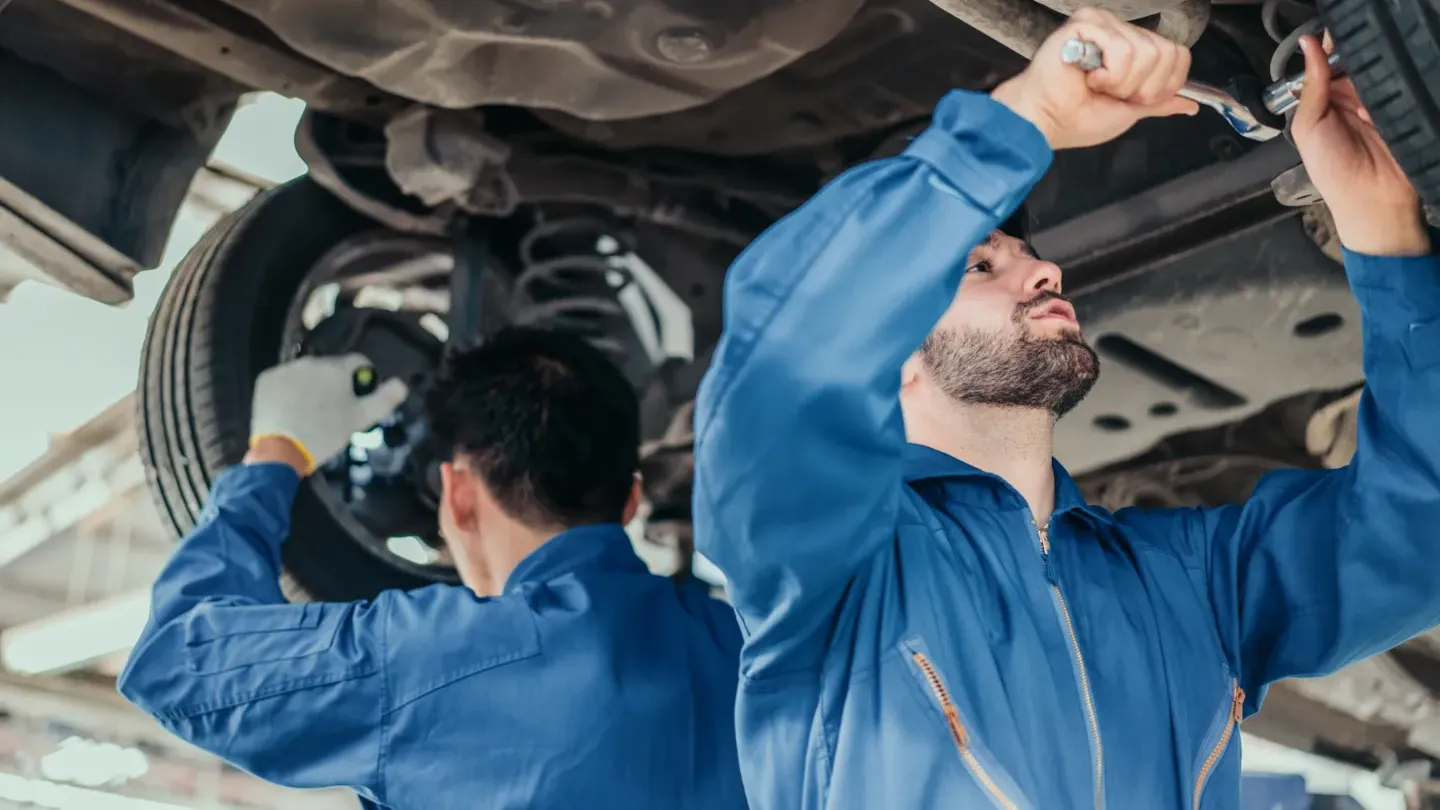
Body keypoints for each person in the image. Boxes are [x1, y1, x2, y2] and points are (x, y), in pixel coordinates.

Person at [693, 8, 1440, 810]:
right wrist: (1027, 118)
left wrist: (1381, 227)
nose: (1044, 272)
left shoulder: (1192, 585)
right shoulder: (833, 576)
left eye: (1032, 256)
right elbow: (784, 354)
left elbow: (1417, 525)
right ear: (887, 349)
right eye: (982, 265)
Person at [119, 328, 747, 810]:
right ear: (631, 498)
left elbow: (175, 661)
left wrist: (277, 453)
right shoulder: (743, 648)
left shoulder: (434, 657)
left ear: (459, 494)